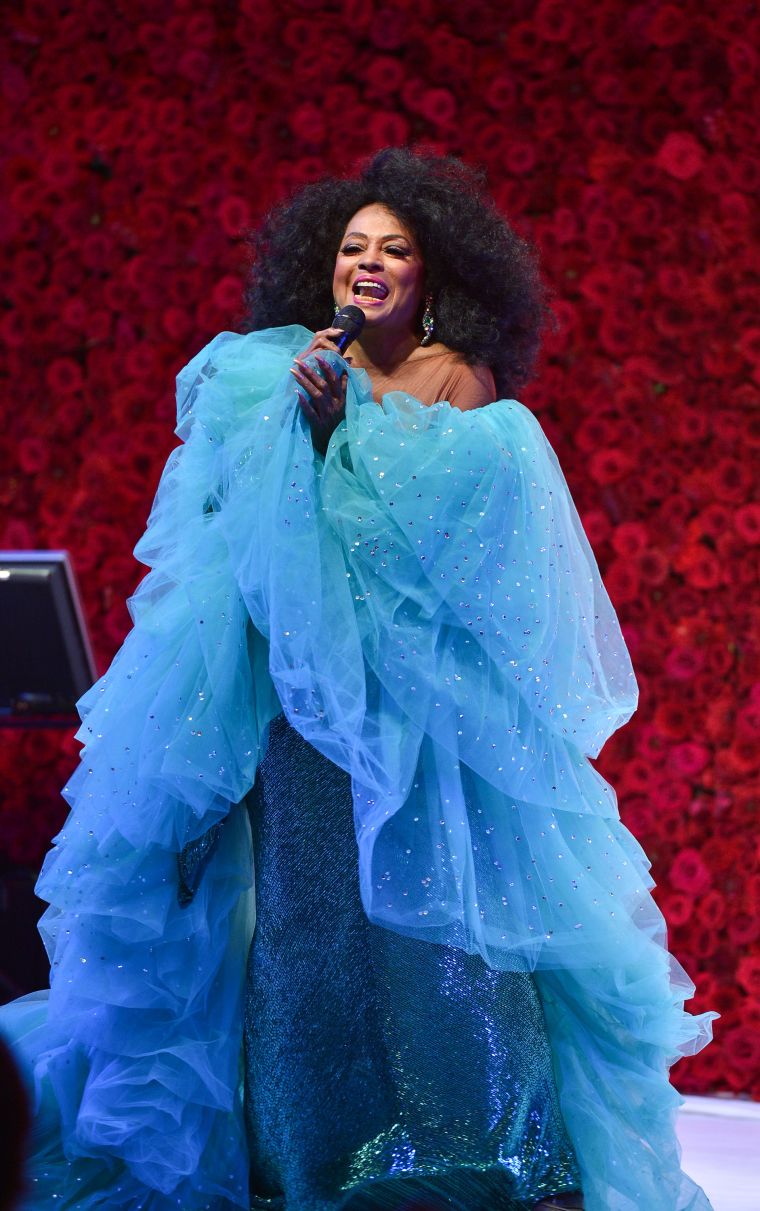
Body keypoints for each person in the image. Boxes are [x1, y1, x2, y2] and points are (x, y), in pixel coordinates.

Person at [0, 149, 716, 1211]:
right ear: (322, 270)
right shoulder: (275, 372)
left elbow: (438, 551)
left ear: (434, 278)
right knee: (306, 926)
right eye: (351, 248)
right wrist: (279, 434)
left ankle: (467, 1146)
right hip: (298, 718)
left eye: (394, 249)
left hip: (418, 716)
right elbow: (232, 548)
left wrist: (341, 436)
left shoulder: (455, 380)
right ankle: (306, 1149)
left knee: (430, 927)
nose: (367, 264)